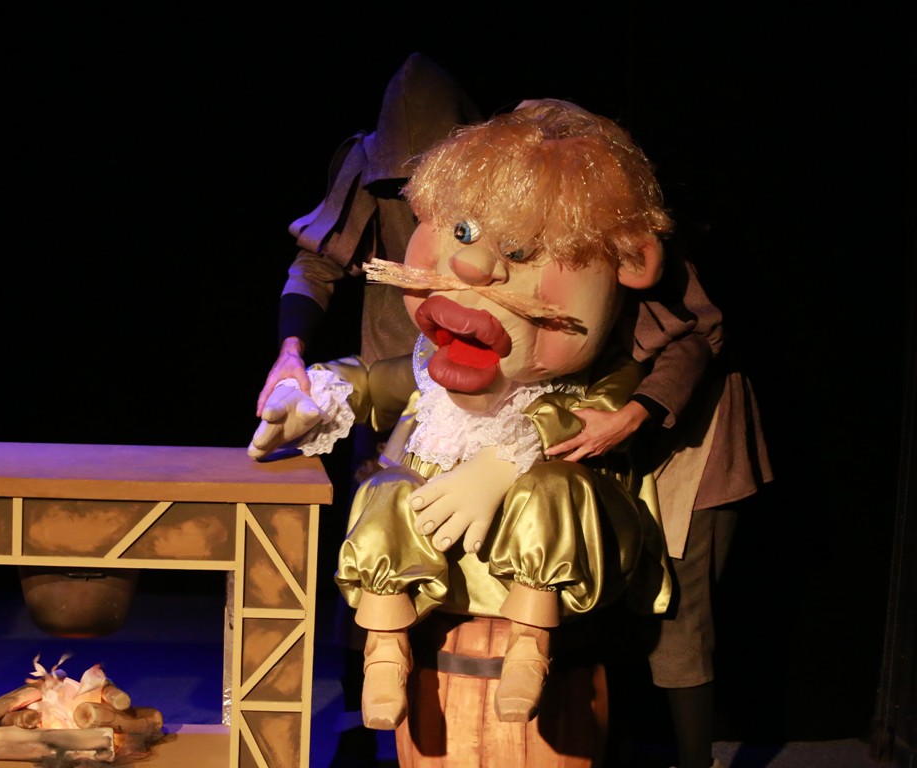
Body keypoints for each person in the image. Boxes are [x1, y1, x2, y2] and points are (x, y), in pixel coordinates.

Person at [251, 99, 677, 731]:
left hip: (566, 544)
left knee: (553, 489)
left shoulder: (601, 373)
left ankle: (531, 644)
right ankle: (384, 649)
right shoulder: (432, 364)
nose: (472, 266)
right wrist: (313, 396)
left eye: (520, 249)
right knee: (386, 489)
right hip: (445, 543)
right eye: (464, 232)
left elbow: (590, 418)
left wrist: (502, 465)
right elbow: (376, 380)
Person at [545, 235, 773, 768]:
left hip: (689, 438)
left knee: (677, 611)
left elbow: (694, 342)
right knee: (602, 598)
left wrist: (631, 417)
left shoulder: (629, 239)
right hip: (616, 439)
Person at [254, 51, 482, 484]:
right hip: (388, 389)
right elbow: (315, 266)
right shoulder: (369, 173)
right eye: (402, 182)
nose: (415, 195)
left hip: (481, 392)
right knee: (381, 511)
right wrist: (290, 351)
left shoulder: (508, 183)